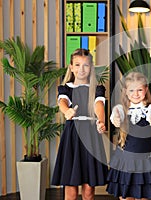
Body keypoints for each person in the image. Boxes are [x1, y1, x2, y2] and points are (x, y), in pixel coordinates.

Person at [51, 48, 108, 200]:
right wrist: (66, 111)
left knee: (89, 190)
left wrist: (101, 121)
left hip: (91, 136)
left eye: (86, 65)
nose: (81, 69)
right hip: (72, 138)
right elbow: (62, 102)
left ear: (91, 68)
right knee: (71, 190)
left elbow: (99, 106)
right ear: (71, 67)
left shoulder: (97, 89)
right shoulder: (66, 89)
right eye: (77, 65)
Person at [106, 71, 151, 200]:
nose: (136, 94)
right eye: (131, 90)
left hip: (144, 161)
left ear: (146, 89)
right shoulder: (120, 108)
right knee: (126, 196)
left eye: (139, 90)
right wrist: (116, 119)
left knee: (143, 196)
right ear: (125, 91)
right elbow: (114, 116)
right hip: (125, 161)